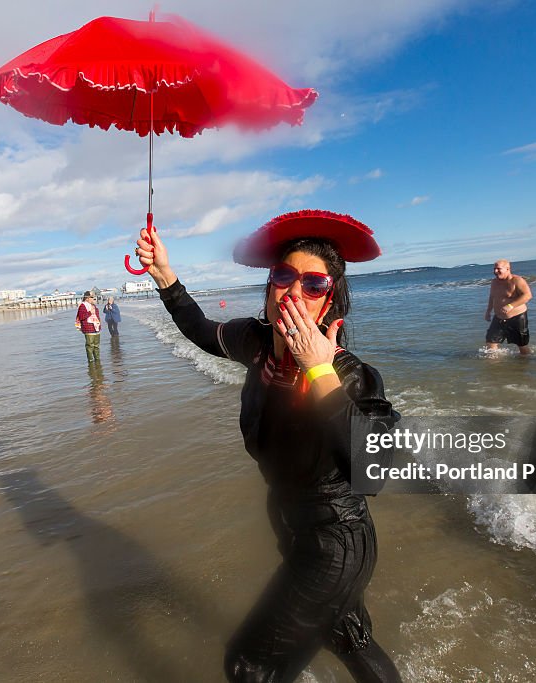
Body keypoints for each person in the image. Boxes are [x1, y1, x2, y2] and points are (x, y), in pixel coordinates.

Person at [135, 210, 402, 683]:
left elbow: (377, 464)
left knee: (248, 666)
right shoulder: (254, 342)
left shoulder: (350, 375)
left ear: (330, 301)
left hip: (336, 539)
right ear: (270, 284)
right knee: (347, 638)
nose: (295, 291)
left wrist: (318, 371)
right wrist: (165, 276)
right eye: (284, 276)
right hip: (290, 524)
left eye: (313, 284)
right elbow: (200, 330)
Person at [484, 259, 533, 355]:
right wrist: (488, 311)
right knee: (491, 342)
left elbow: (527, 295)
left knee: (522, 345)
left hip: (517, 318)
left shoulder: (517, 280)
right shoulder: (494, 282)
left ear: (507, 269)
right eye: (494, 269)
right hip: (499, 317)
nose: (495, 271)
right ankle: (495, 366)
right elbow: (492, 297)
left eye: (498, 269)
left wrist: (510, 306)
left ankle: (526, 363)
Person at [75, 291, 102, 363]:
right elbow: (81, 317)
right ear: (87, 298)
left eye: (93, 297)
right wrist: (90, 312)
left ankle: (97, 360)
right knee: (90, 346)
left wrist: (99, 325)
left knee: (96, 346)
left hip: (96, 328)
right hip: (88, 329)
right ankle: (90, 361)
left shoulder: (94, 306)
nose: (93, 298)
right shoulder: (82, 306)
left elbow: (97, 317)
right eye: (92, 297)